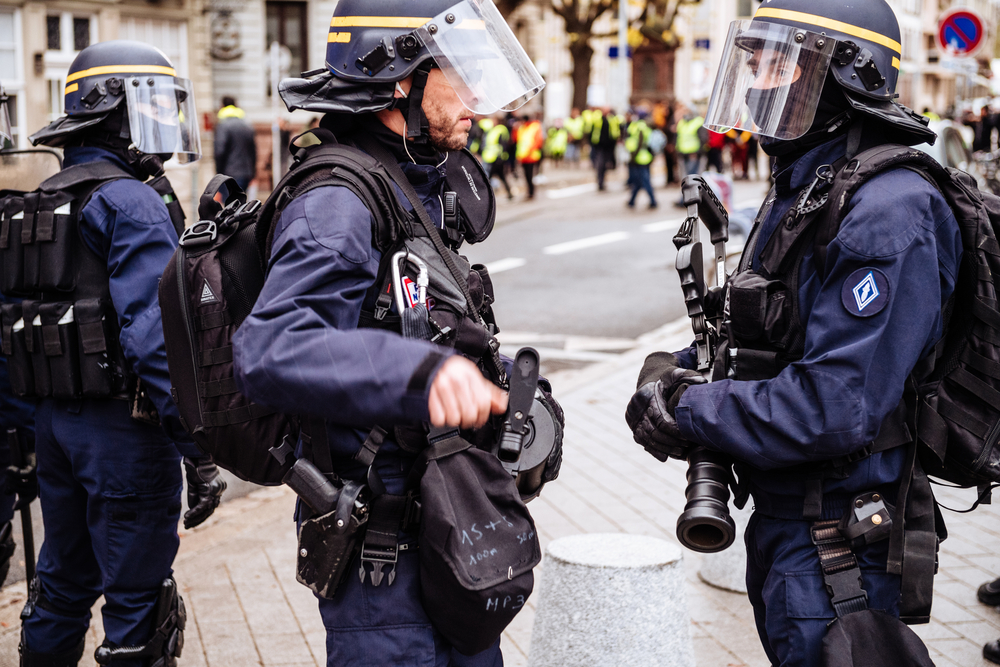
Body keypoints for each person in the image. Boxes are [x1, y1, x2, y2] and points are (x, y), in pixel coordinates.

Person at [626, 1, 958, 665]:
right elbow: (762, 335)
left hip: (839, 545)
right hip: (790, 526)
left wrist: (693, 408)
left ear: (843, 73)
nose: (755, 81)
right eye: (751, 61)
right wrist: (677, 373)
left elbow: (835, 404)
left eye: (776, 61)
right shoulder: (809, 182)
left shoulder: (889, 210)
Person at [232, 0, 555, 664]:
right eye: (457, 74)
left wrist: (513, 404)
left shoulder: (410, 181)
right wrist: (424, 376)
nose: (475, 98)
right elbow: (270, 346)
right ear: (399, 79)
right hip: (384, 563)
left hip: (445, 530)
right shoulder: (338, 200)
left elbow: (431, 320)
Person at [11, 41, 226, 665]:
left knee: (60, 588)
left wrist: (26, 432)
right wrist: (199, 450)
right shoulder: (131, 202)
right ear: (114, 114)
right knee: (139, 606)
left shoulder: (41, 197)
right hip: (125, 436)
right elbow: (158, 342)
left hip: (53, 426)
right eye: (149, 106)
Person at [213, 95, 257, 191]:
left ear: (222, 106)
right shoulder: (247, 125)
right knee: (241, 203)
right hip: (246, 173)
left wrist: (218, 174)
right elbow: (253, 151)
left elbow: (220, 151)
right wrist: (253, 173)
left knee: (229, 204)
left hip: (229, 173)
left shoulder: (223, 125)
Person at [625, 110, 657, 209]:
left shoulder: (639, 126)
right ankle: (632, 200)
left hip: (640, 157)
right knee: (639, 180)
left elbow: (639, 142)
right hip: (642, 156)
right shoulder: (644, 126)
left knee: (644, 180)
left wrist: (633, 156)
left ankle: (653, 201)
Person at [482, 114, 514, 200]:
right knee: (500, 177)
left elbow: (503, 145)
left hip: (497, 158)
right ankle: (509, 193)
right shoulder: (492, 130)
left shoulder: (500, 130)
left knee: (488, 178)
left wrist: (501, 157)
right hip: (490, 157)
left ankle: (485, 195)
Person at [589, 107, 620, 191]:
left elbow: (615, 132)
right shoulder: (597, 119)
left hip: (608, 147)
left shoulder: (612, 120)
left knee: (605, 165)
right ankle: (600, 182)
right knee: (600, 164)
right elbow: (592, 131)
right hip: (599, 146)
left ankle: (603, 180)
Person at [515, 114, 544, 199]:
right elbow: (518, 142)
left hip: (531, 156)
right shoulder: (521, 128)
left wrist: (529, 151)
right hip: (523, 156)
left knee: (529, 175)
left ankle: (531, 192)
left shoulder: (534, 127)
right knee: (526, 176)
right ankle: (529, 191)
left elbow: (537, 141)